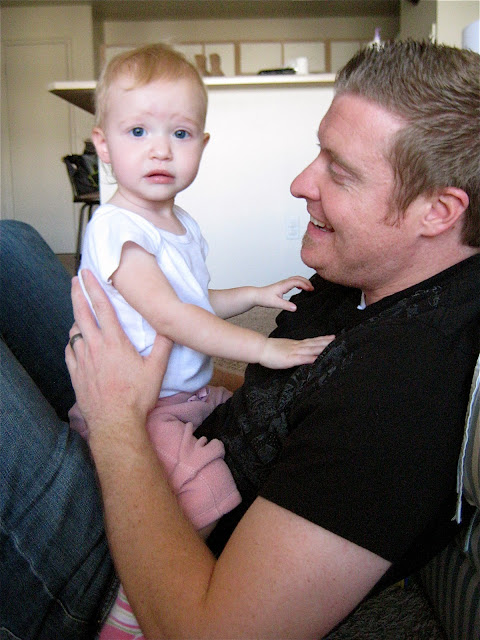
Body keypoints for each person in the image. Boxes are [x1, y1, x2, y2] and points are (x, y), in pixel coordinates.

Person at [1, 40, 479, 640]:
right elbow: (285, 387)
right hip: (173, 428)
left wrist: (118, 419)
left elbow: (210, 631)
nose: (299, 184)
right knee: (10, 244)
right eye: (318, 152)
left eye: (339, 170)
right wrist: (169, 376)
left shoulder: (399, 395)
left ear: (437, 211)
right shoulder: (364, 277)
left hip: (138, 560)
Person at [70, 43, 332, 638]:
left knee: (250, 419)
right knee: (210, 488)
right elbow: (172, 317)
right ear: (103, 145)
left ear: (203, 145)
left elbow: (195, 300)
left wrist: (255, 294)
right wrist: (261, 347)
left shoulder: (179, 224)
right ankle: (131, 610)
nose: (161, 149)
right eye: (138, 131)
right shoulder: (119, 230)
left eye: (181, 133)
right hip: (142, 406)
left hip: (180, 394)